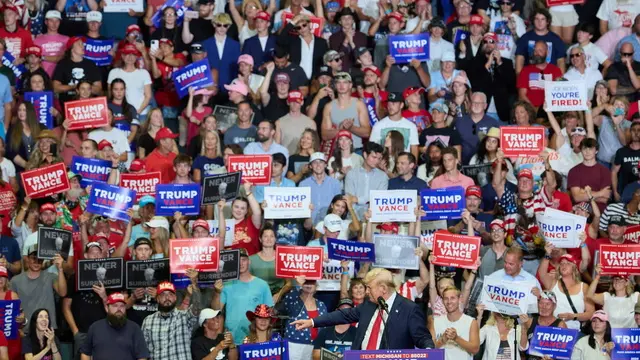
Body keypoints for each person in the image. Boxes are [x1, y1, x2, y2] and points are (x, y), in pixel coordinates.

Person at [291, 268, 435, 349]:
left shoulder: (409, 309)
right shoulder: (368, 305)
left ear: (383, 289)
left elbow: (422, 338)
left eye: (369, 288)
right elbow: (343, 315)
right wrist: (312, 322)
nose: (366, 292)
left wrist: (429, 349)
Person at [210, 249, 273, 345]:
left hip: (255, 339)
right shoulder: (226, 284)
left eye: (243, 260)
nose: (241, 263)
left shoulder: (262, 285)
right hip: (232, 339)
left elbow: (269, 313)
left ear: (249, 261)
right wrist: (217, 292)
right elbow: (215, 310)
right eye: (237, 261)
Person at [142, 279, 201, 360]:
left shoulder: (184, 316)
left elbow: (197, 307)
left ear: (175, 298)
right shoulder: (148, 321)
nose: (167, 298)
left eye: (170, 294)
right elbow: (143, 351)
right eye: (163, 295)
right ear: (157, 299)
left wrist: (194, 284)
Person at [80, 293, 149, 360]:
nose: (119, 309)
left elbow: (142, 356)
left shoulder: (134, 328)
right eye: (115, 306)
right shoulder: (95, 327)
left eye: (122, 306)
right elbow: (85, 353)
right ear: (107, 308)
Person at [11, 246, 66, 330]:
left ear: (43, 260)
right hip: (26, 330)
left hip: (48, 329)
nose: (37, 262)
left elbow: (62, 293)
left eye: (40, 259)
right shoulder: (15, 281)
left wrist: (60, 269)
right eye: (33, 258)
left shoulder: (51, 277)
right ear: (27, 259)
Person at [278, 277, 327, 360]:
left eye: (312, 281)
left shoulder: (321, 304)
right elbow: (282, 305)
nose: (308, 284)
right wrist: (297, 285)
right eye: (306, 281)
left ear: (316, 285)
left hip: (316, 347)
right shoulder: (292, 300)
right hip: (294, 345)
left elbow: (326, 325)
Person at [430, 286, 479, 360]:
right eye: (446, 298)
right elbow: (430, 350)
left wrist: (456, 338)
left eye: (452, 298)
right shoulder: (435, 322)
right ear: (442, 301)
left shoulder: (471, 322)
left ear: (459, 299)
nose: (449, 302)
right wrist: (442, 340)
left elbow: (475, 349)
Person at [369, 93, 419, 158]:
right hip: (383, 164)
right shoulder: (378, 125)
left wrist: (413, 166)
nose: (390, 106)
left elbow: (414, 148)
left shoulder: (411, 126)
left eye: (393, 103)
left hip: (404, 165)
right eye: (389, 104)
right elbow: (372, 148)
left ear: (401, 105)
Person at [516, 40, 563, 109]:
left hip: (550, 109)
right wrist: (534, 111)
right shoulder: (525, 70)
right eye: (535, 51)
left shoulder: (555, 70)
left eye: (540, 51)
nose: (537, 53)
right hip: (531, 109)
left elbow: (560, 92)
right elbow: (522, 95)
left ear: (547, 52)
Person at [344, 142, 388, 216]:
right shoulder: (351, 174)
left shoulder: (382, 176)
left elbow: (379, 199)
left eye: (379, 158)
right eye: (374, 157)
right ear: (365, 155)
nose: (377, 161)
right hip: (354, 216)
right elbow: (350, 199)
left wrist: (358, 199)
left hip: (375, 215)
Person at [300, 152, 342, 224]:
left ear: (325, 165)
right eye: (315, 162)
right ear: (310, 166)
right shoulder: (303, 184)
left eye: (321, 162)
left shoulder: (335, 183)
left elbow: (339, 205)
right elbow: (301, 206)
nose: (318, 165)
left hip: (330, 223)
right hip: (310, 224)